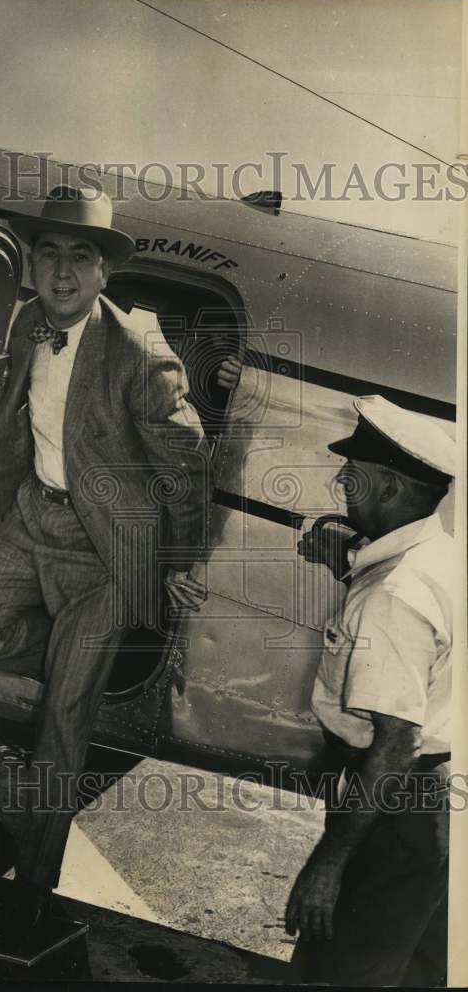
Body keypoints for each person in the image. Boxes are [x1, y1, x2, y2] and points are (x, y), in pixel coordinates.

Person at [0, 185, 243, 939]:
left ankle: (33, 885)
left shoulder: (138, 350)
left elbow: (187, 463)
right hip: (33, 516)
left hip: (107, 550)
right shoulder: (23, 325)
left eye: (80, 257)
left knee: (61, 726)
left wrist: (172, 562)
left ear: (105, 273)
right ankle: (78, 664)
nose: (62, 271)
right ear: (31, 266)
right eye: (48, 254)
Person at [286, 394, 456, 986]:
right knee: (417, 972)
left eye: (352, 478)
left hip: (392, 811)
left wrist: (329, 863)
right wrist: (344, 555)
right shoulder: (438, 558)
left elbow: (393, 747)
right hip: (435, 807)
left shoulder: (393, 597)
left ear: (389, 489)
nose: (341, 486)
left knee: (338, 973)